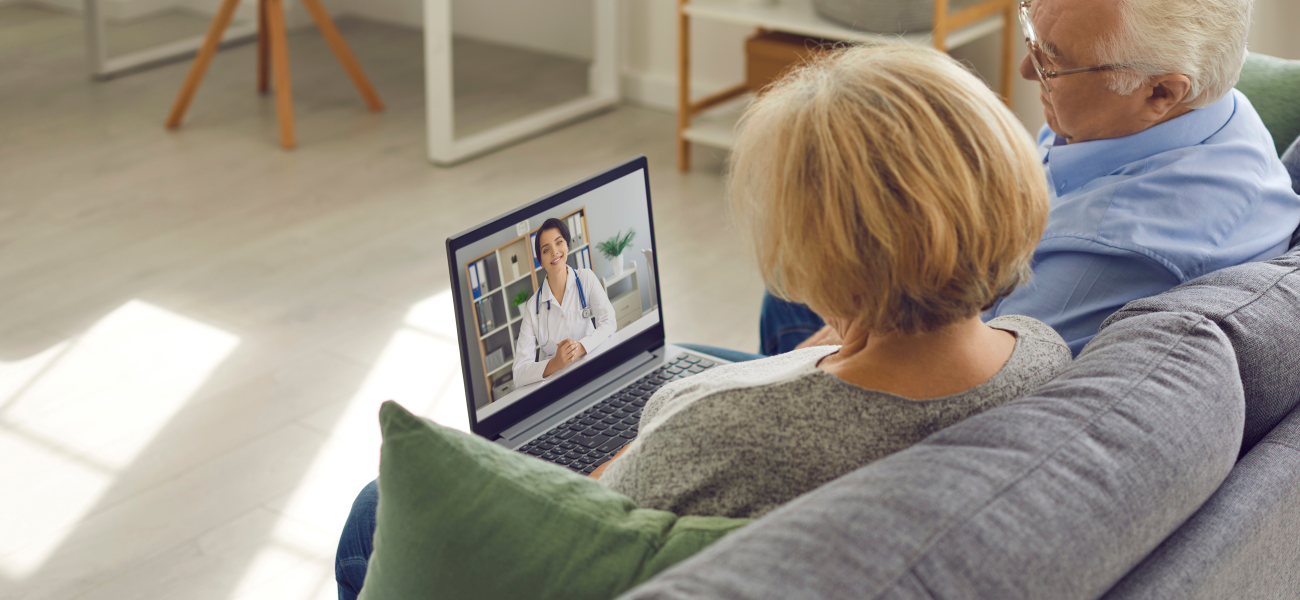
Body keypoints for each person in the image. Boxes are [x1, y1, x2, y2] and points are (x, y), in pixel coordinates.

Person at [759, 0, 1300, 357]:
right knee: (788, 284)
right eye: (1031, 32)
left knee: (789, 287)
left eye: (1052, 62)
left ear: (1161, 93)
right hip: (988, 289)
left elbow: (960, 384)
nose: (1025, 69)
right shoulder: (1209, 109)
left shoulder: (1107, 252)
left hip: (942, 361)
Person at [511, 217, 616, 387]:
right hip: (559, 386)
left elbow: (609, 322)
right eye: (546, 250)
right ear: (541, 262)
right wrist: (555, 364)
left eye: (559, 242)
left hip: (594, 370)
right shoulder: (533, 307)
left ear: (567, 245)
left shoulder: (586, 278)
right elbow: (519, 373)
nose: (554, 252)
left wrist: (580, 348)